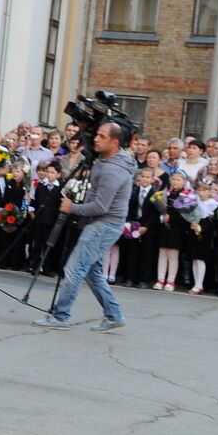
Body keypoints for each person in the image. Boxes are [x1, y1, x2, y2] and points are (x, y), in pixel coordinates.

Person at [32, 120, 137, 331]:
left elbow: (100, 206)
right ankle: (114, 315)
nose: (95, 139)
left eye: (102, 137)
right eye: (96, 134)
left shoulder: (112, 170)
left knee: (74, 269)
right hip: (102, 224)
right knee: (92, 272)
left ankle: (61, 316)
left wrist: (73, 208)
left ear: (115, 142)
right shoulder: (107, 161)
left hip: (103, 225)